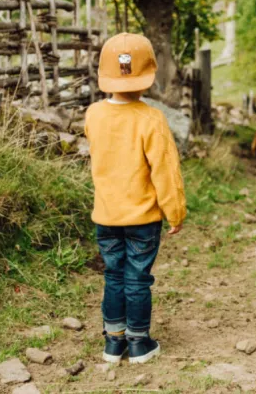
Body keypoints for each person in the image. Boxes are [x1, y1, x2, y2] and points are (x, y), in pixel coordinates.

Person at [84, 32, 186, 364]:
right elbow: (165, 172)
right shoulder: (151, 119)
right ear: (148, 76)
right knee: (137, 278)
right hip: (142, 219)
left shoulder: (93, 115)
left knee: (114, 275)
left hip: (107, 216)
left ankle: (113, 343)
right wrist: (175, 211)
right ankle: (139, 342)